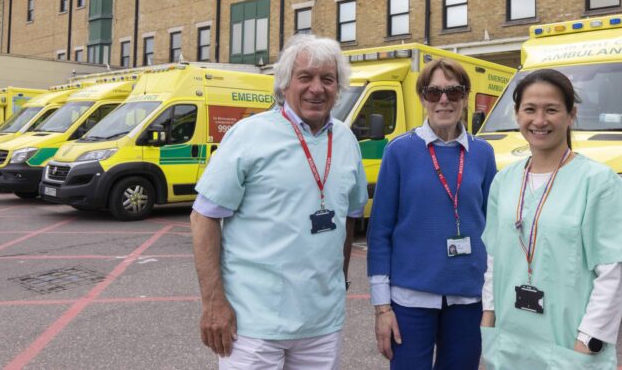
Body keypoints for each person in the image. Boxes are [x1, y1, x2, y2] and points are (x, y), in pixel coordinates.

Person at [190, 34, 368, 369]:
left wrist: (338, 282)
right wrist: (213, 302)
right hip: (253, 324)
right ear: (285, 84)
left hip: (320, 325)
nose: (317, 88)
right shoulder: (248, 135)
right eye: (306, 77)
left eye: (327, 79)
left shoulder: (346, 141)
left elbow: (349, 218)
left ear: (338, 87)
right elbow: (204, 218)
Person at [480, 69, 622, 369]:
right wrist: (488, 319)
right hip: (508, 342)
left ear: (571, 115)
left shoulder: (598, 182)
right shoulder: (504, 182)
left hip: (569, 345)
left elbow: (613, 273)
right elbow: (494, 259)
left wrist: (588, 340)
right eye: (529, 109)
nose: (539, 120)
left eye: (551, 109)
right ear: (517, 115)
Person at [367, 58, 497, 369]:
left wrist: (492, 299)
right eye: (433, 92)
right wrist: (382, 307)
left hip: (468, 297)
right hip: (410, 298)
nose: (443, 100)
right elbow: (381, 230)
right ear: (423, 97)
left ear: (465, 98)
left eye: (453, 92)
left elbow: (493, 230)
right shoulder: (399, 151)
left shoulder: (483, 153)